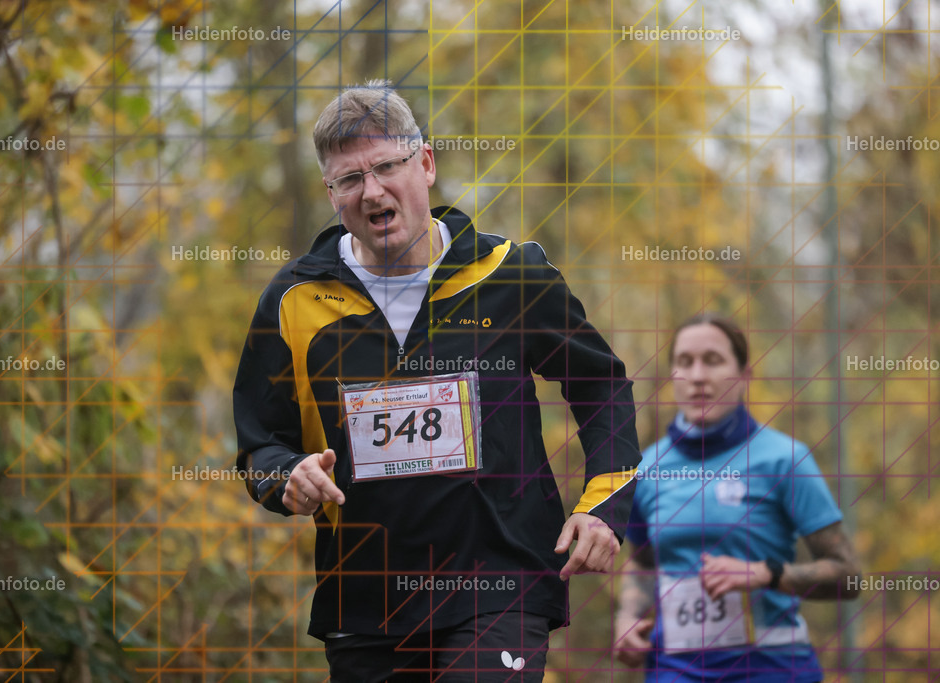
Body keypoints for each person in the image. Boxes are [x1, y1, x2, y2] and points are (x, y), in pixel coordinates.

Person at [232, 79, 642, 682]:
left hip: (498, 582)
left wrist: (604, 506)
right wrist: (283, 477)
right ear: (331, 192)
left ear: (424, 165)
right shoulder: (295, 299)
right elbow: (260, 441)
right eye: (349, 179)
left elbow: (600, 383)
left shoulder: (509, 276)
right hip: (365, 599)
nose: (371, 190)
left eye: (386, 167)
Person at [613, 313, 861, 682]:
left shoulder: (785, 459)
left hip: (773, 669)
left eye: (713, 361)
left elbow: (849, 577)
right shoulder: (645, 468)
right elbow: (644, 564)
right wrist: (628, 616)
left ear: (745, 375)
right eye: (685, 362)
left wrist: (766, 573)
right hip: (674, 671)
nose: (698, 376)